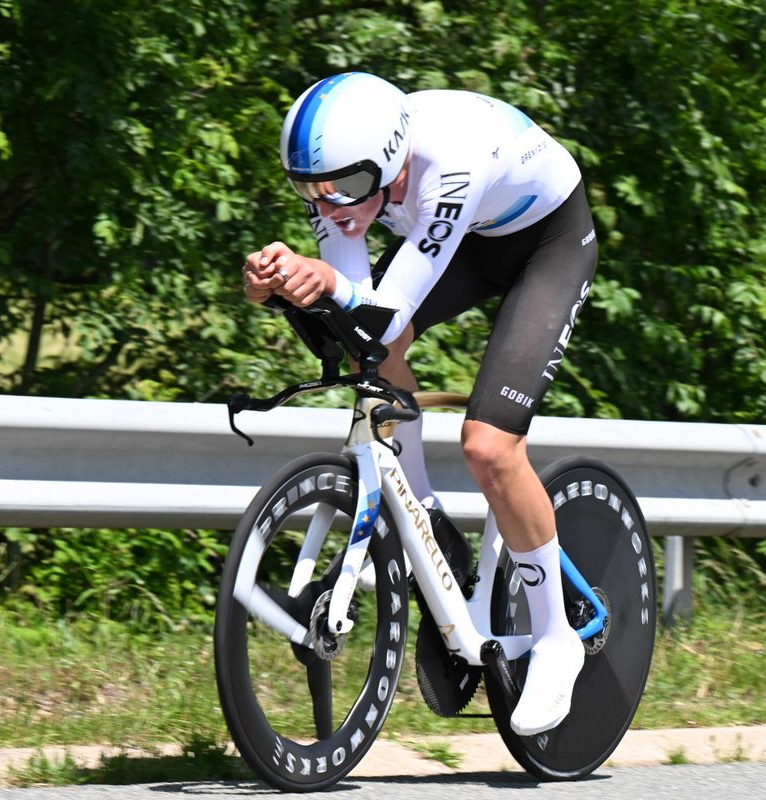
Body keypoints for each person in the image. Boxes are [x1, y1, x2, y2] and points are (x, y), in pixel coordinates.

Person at [241, 72, 597, 736]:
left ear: (389, 161)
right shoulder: (343, 178)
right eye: (310, 191)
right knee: (367, 353)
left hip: (545, 244)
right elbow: (357, 317)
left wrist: (327, 285)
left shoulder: (450, 164)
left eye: (344, 189)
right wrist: (277, 287)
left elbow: (388, 303)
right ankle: (428, 516)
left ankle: (556, 638)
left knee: (489, 446)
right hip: (469, 241)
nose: (331, 208)